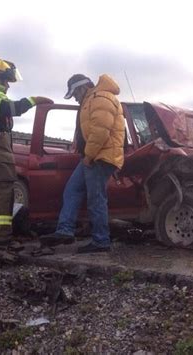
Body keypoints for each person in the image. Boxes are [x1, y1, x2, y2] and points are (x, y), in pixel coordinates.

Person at [0, 58, 53, 247]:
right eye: (6, 81)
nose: (8, 85)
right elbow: (9, 108)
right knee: (0, 190)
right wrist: (33, 100)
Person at [40, 74, 125, 253]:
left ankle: (101, 241)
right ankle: (65, 230)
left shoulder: (100, 98)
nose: (75, 99)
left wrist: (88, 156)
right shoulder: (92, 100)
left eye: (75, 94)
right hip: (96, 155)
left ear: (82, 88)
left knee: (96, 199)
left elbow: (101, 132)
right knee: (73, 189)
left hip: (100, 157)